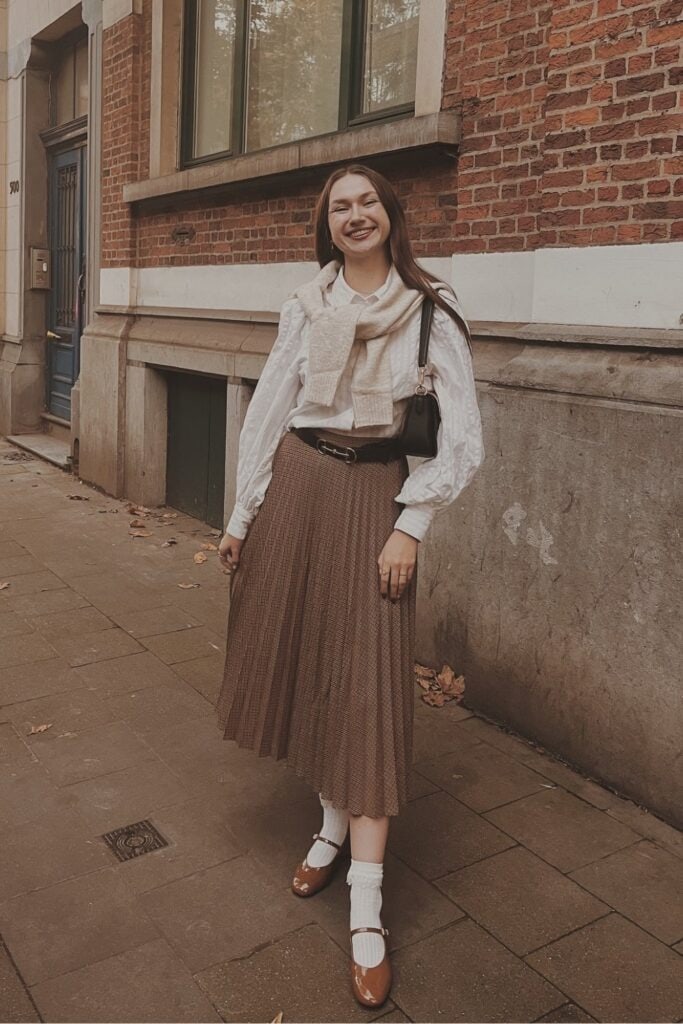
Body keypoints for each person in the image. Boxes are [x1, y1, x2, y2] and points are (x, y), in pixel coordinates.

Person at [216, 163, 484, 1007]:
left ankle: (366, 911)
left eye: (367, 201)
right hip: (297, 486)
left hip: (375, 496)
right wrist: (241, 512)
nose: (355, 215)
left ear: (390, 214)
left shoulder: (431, 308)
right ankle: (329, 828)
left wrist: (411, 523)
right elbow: (269, 408)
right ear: (326, 224)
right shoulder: (307, 306)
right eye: (340, 206)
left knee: (364, 681)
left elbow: (464, 440)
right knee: (310, 666)